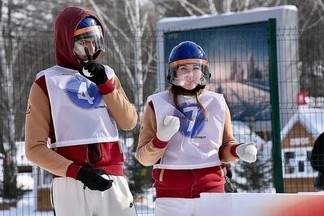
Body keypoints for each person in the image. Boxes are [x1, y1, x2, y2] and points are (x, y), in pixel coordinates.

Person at [25, 6, 137, 216]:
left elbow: (128, 122)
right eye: (83, 41)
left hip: (113, 177)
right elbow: (33, 148)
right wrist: (78, 173)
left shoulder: (108, 75)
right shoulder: (45, 83)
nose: (91, 47)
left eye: (95, 40)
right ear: (66, 41)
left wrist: (105, 85)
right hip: (71, 182)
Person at [136, 40, 257, 215]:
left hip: (212, 192)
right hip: (171, 196)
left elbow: (224, 149)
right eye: (183, 68)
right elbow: (144, 158)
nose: (190, 74)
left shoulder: (217, 102)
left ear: (204, 71)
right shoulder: (157, 103)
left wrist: (239, 150)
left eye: (195, 67)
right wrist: (161, 139)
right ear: (173, 73)